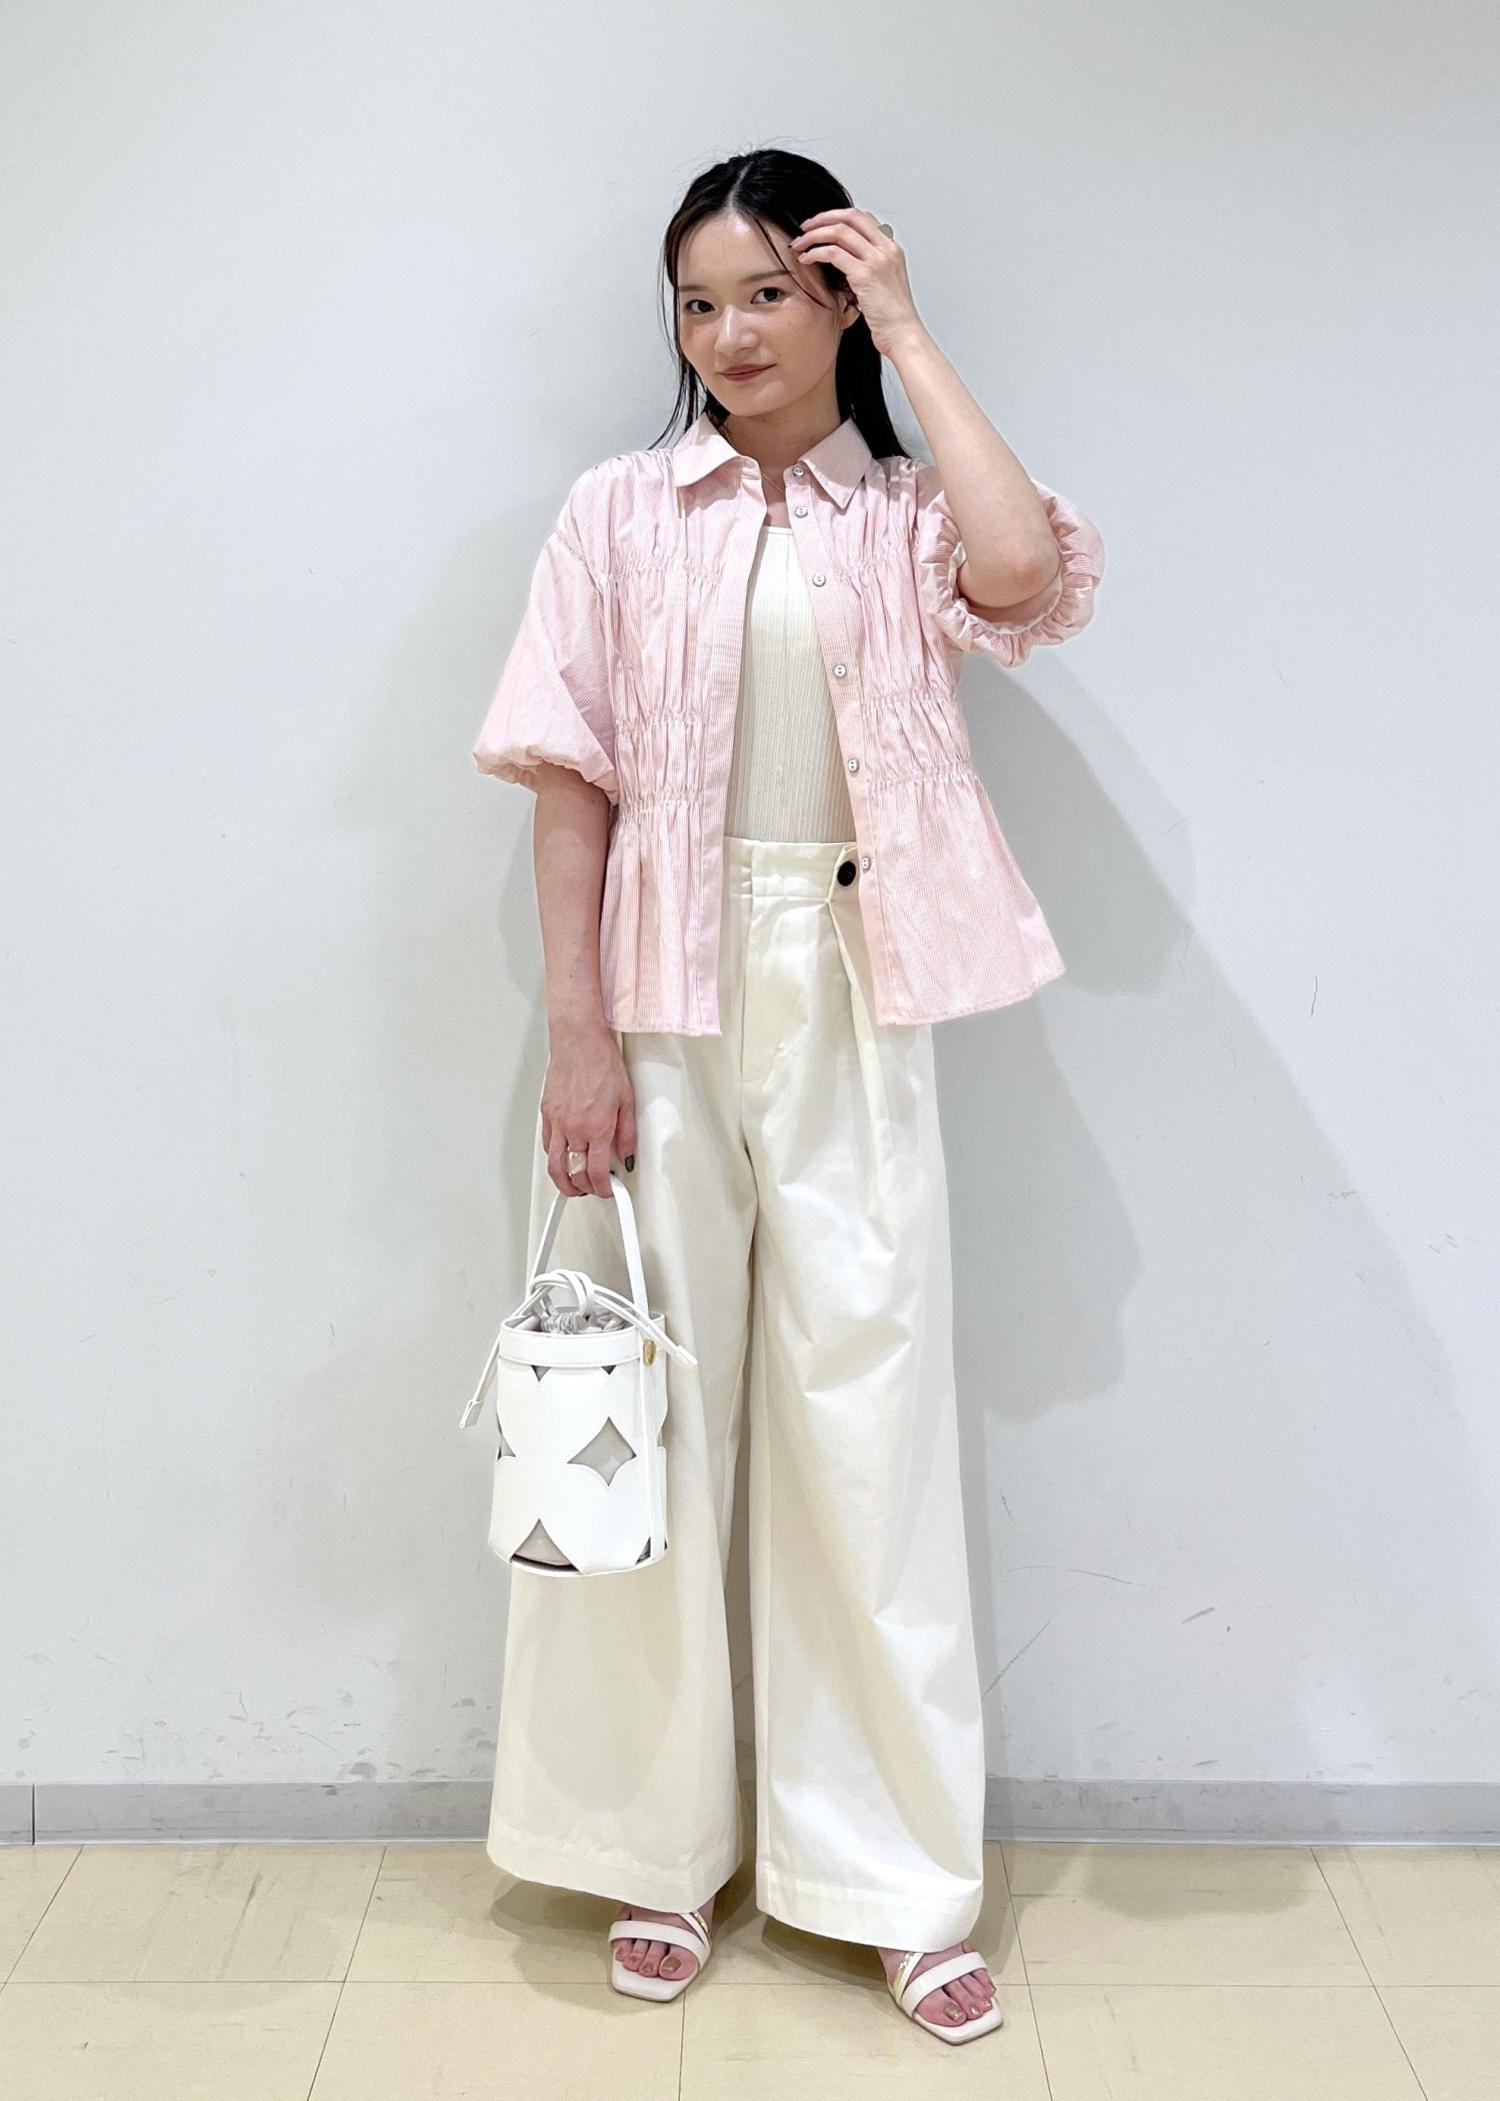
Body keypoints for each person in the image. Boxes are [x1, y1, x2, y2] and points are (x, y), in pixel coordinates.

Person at [470, 147, 1105, 2046]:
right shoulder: (616, 511)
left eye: (769, 292)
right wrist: (579, 1034)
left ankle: (892, 1879)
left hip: (851, 972)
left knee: (869, 1427)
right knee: (644, 1428)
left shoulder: (901, 516)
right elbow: (567, 778)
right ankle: (651, 1853)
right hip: (658, 988)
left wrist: (913, 322)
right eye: (698, 302)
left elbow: (1026, 576)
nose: (729, 333)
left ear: (835, 301)